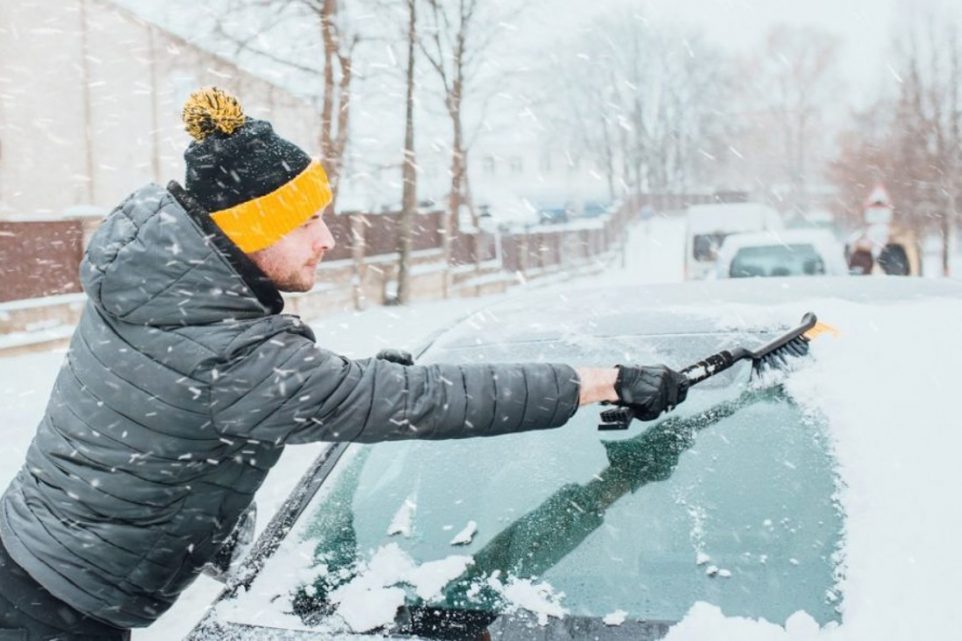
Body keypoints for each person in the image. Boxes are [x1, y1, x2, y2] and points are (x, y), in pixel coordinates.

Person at [0, 87, 689, 639]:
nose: (328, 238)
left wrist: (339, 388)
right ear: (250, 230)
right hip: (54, 614)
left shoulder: (157, 282)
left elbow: (202, 404)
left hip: (33, 571)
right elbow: (423, 401)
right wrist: (602, 381)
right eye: (305, 221)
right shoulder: (233, 355)